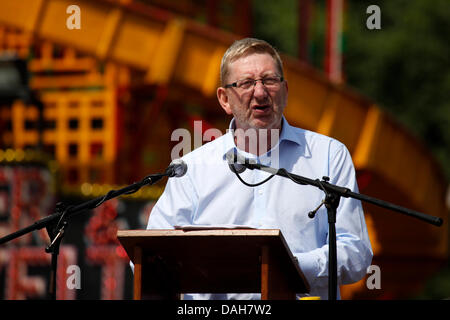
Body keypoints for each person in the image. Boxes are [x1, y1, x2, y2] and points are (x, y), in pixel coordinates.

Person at [146, 38, 373, 300]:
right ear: (225, 99)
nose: (261, 92)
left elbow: (355, 253)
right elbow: (149, 256)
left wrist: (288, 267)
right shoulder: (191, 168)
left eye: (269, 80)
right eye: (246, 83)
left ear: (285, 91)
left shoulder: (328, 155)